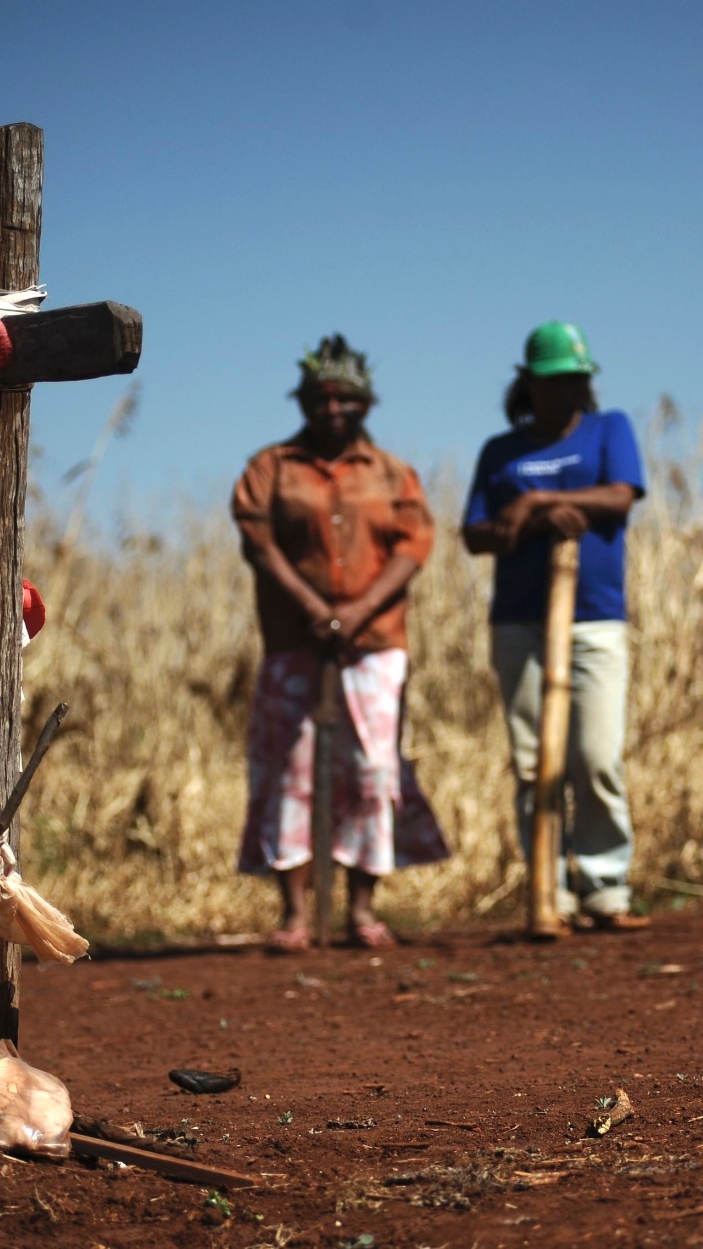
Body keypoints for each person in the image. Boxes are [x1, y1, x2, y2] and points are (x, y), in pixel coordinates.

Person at [231, 334, 449, 951]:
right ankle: (296, 914)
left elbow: (412, 546)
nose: (332, 411)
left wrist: (355, 610)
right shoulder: (270, 468)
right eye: (320, 400)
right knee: (290, 769)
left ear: (364, 404)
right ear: (304, 402)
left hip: (374, 643)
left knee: (373, 767)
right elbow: (259, 540)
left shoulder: (391, 473)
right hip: (292, 641)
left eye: (344, 400)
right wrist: (313, 608)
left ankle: (361, 909)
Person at [463, 321, 650, 932]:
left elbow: (620, 498)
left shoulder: (609, 429)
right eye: (553, 382)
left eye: (575, 380)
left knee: (595, 754)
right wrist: (517, 525)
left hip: (594, 617)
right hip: (520, 620)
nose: (566, 391)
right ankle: (551, 887)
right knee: (531, 760)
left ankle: (604, 885)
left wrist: (536, 504)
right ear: (529, 385)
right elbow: (475, 533)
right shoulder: (501, 450)